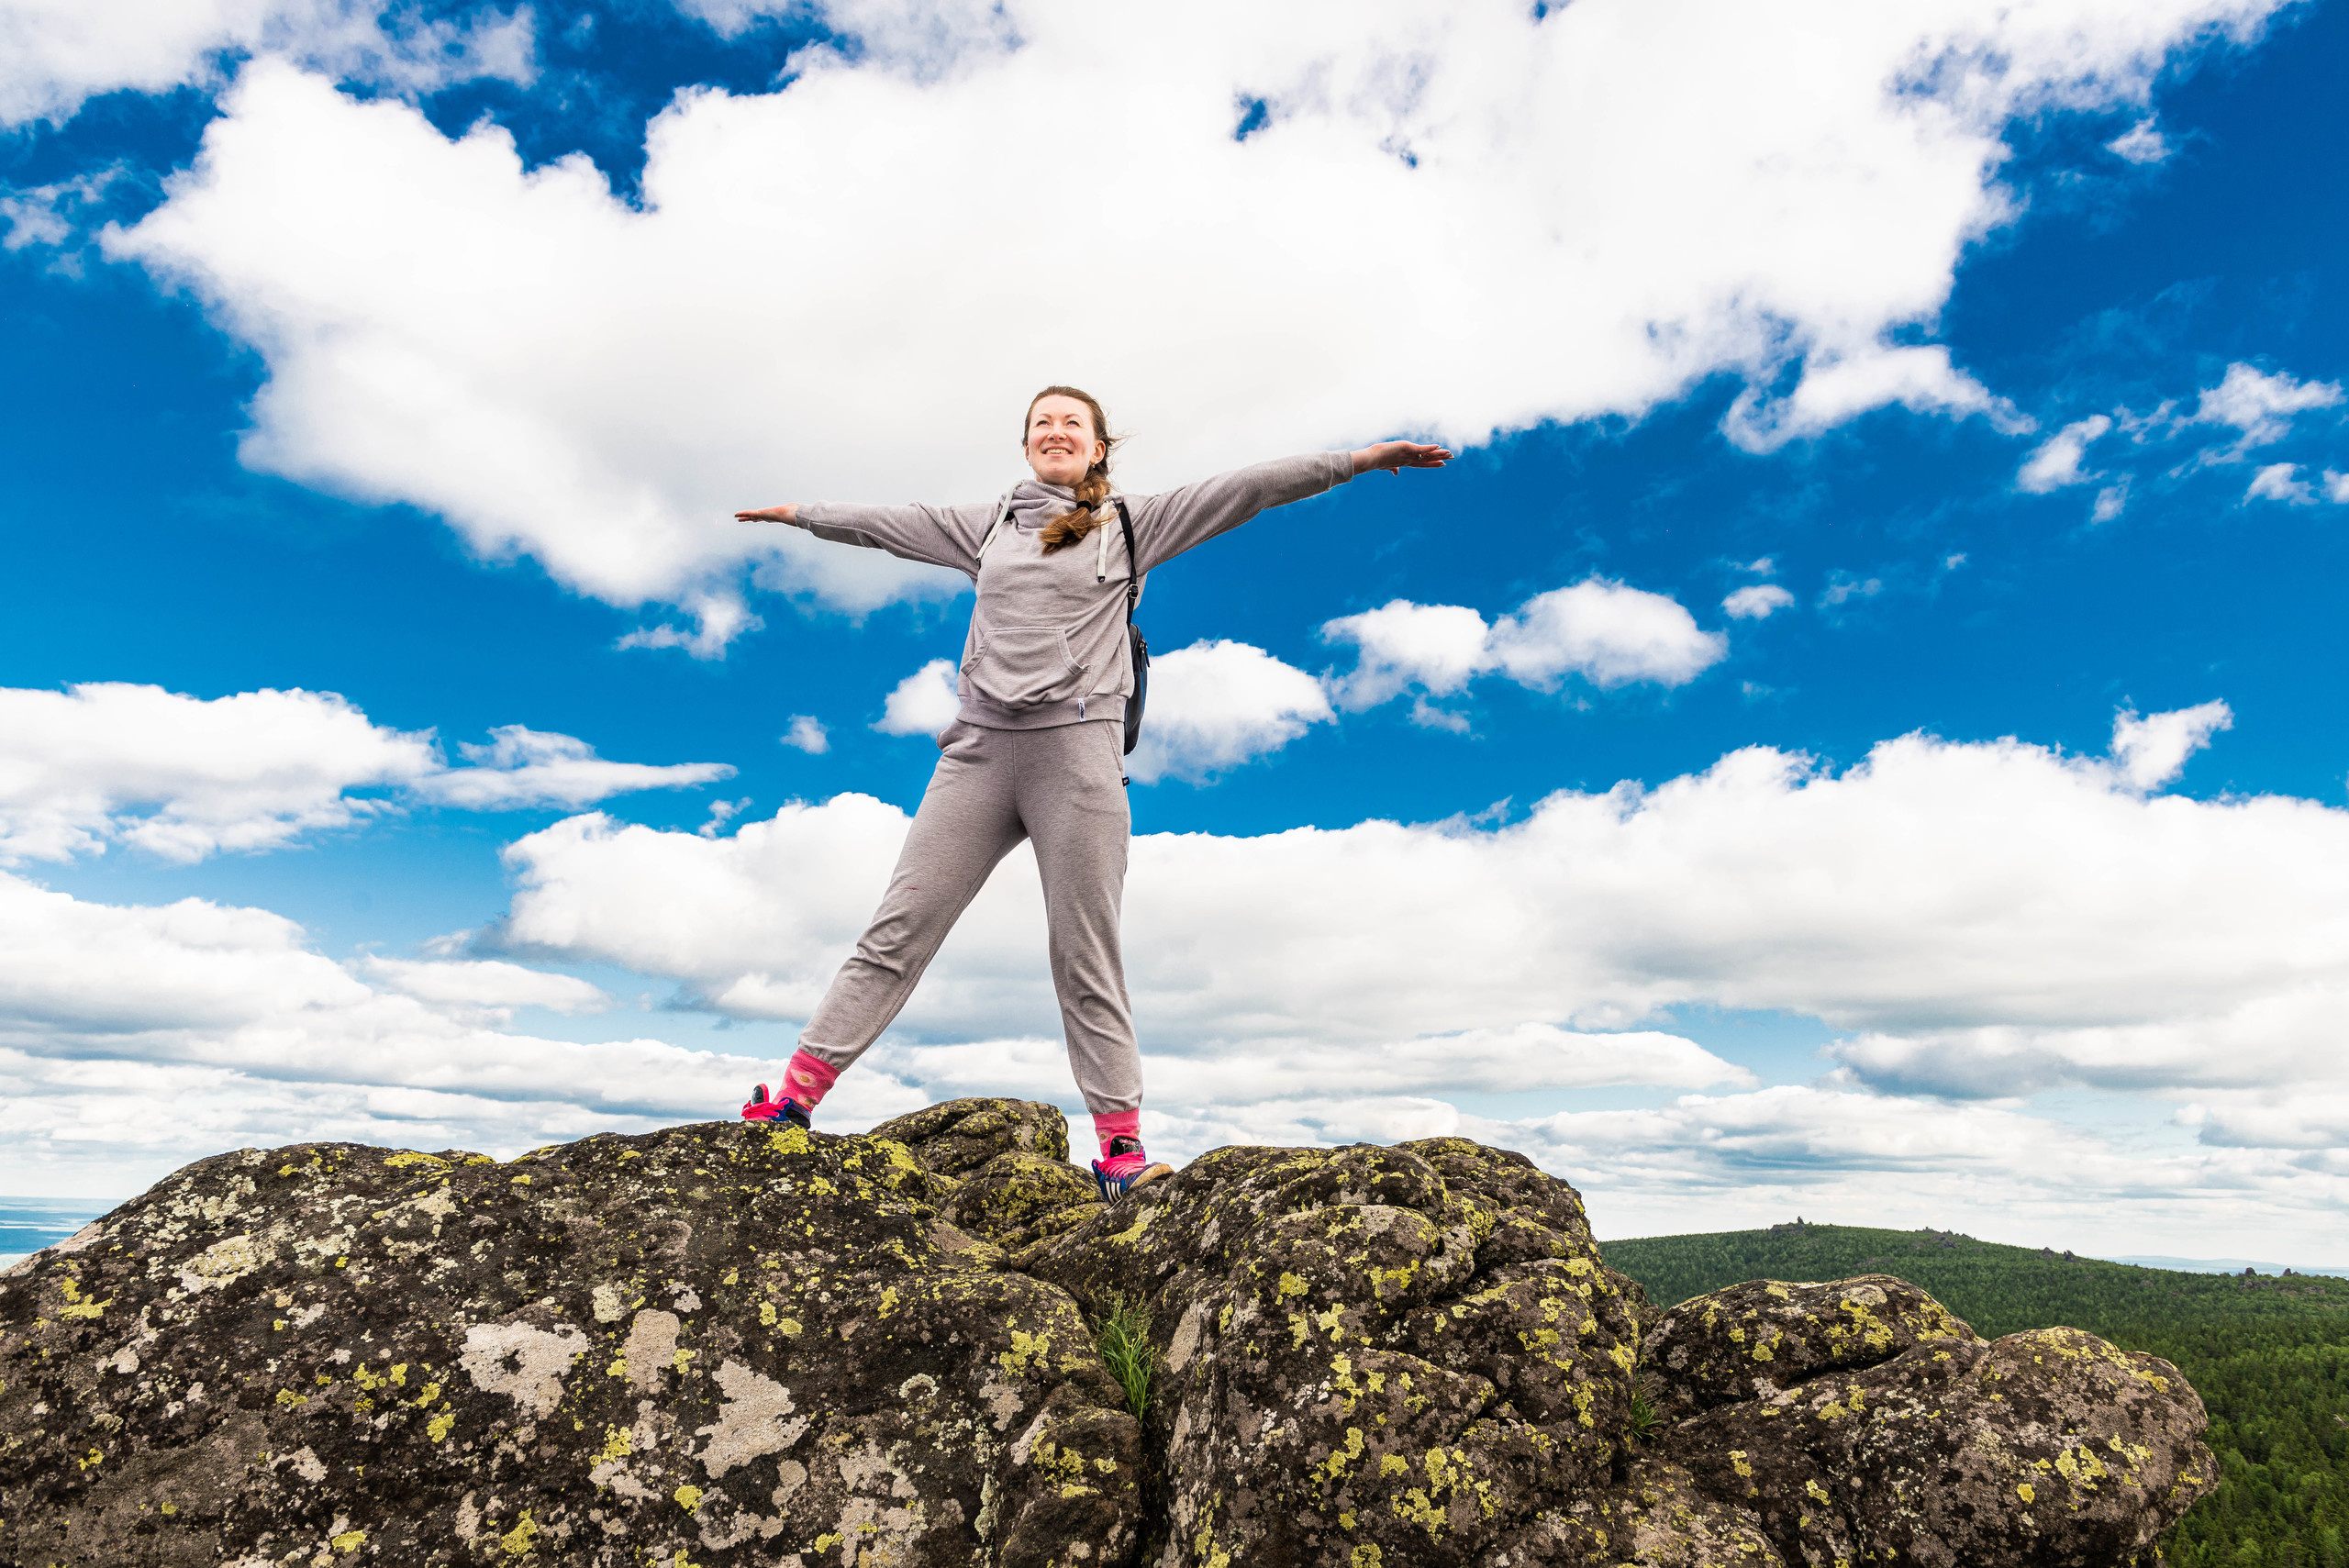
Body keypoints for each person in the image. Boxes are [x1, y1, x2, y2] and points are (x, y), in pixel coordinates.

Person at [734, 386, 1450, 1199]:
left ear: (1099, 447)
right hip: (977, 754)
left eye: (1072, 421)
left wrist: (1357, 462)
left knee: (1084, 951)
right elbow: (886, 524)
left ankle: (1120, 1148)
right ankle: (792, 1100)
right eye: (1042, 421)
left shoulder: (1138, 522)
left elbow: (1250, 487)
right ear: (1027, 443)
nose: (1056, 430)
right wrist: (800, 514)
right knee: (897, 929)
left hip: (1077, 758)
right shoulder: (987, 525)